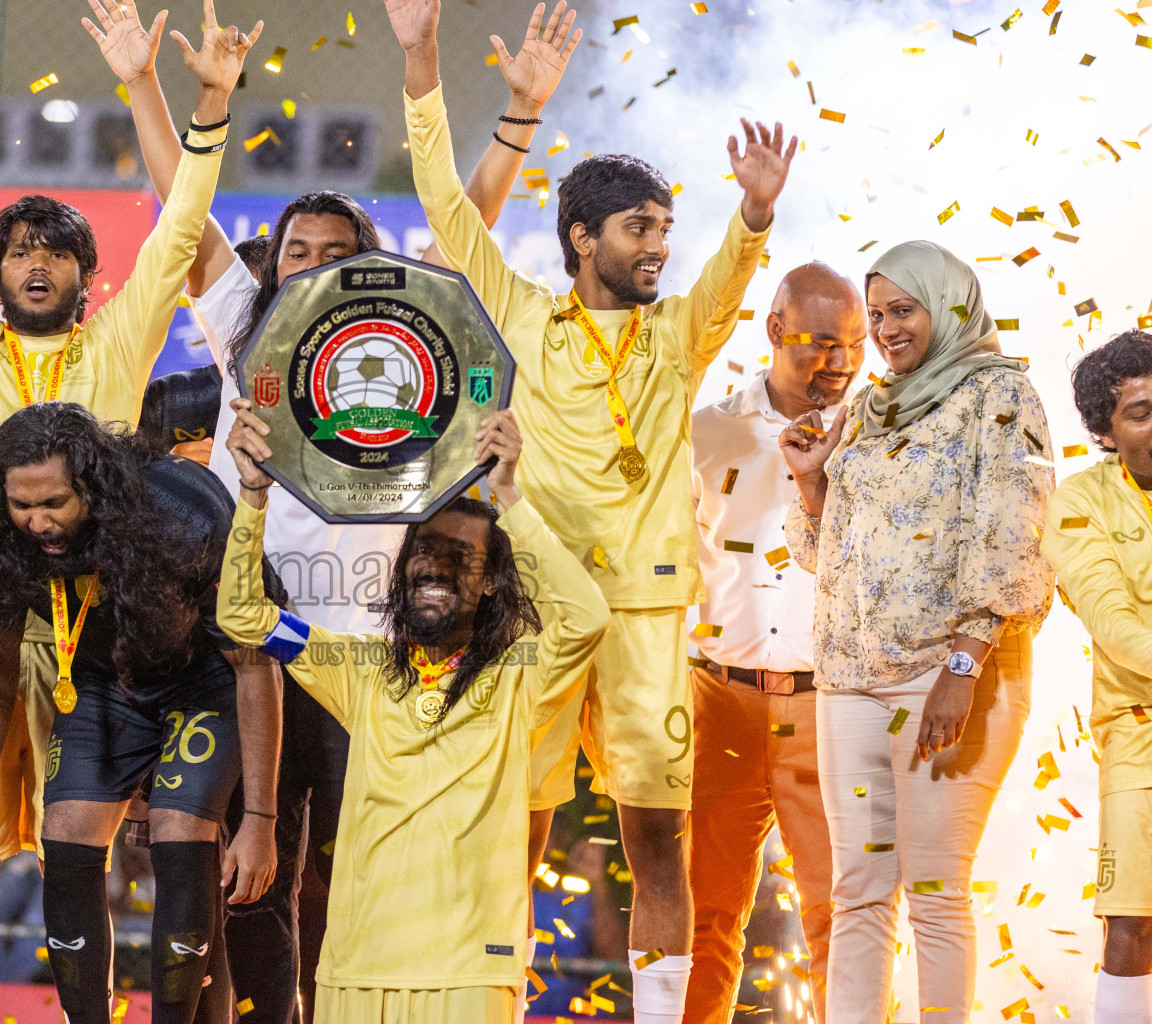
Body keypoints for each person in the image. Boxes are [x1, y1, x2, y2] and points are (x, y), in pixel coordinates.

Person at [85, 2, 582, 1016]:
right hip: (257, 646)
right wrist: (150, 86)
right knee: (245, 869)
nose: (312, 261)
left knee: (346, 866)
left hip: (372, 653)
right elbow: (182, 215)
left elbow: (465, 216)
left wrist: (502, 100)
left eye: (333, 248)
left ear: (371, 268)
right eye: (297, 248)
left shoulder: (403, 341)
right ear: (275, 265)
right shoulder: (249, 329)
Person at [0, 3, 258, 1017]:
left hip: (103, 622)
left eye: (53, 251)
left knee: (91, 840)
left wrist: (205, 104)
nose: (32, 263)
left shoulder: (118, 342)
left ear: (86, 273)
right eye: (16, 248)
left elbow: (184, 230)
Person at [387, 1, 795, 1017]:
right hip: (536, 611)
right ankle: (493, 1000)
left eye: (664, 228)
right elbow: (445, 207)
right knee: (516, 829)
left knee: (656, 834)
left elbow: (735, 264)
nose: (658, 246)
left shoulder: (683, 332)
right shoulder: (524, 314)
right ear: (582, 239)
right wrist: (423, 57)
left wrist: (754, 213)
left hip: (653, 622)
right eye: (637, 230)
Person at [218, 400, 609, 1024]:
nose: (435, 564)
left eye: (461, 556)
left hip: (468, 975)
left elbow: (587, 619)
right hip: (354, 970)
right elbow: (243, 616)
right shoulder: (360, 669)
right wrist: (252, 496)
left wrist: (508, 493)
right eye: (422, 551)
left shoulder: (517, 674)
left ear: (489, 584)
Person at [0, 402, 278, 1024]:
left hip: (206, 680)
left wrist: (259, 821)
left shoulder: (183, 511)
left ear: (95, 487)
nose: (37, 523)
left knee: (179, 832)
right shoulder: (8, 538)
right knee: (63, 835)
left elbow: (255, 664)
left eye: (54, 503)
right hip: (102, 681)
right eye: (21, 504)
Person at [779, 241, 1055, 1024]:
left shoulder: (998, 396)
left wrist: (963, 666)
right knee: (856, 890)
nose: (886, 329)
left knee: (933, 890)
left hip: (946, 676)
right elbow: (825, 548)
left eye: (904, 309)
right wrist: (809, 483)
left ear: (951, 305)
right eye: (877, 315)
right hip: (850, 679)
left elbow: (1013, 535)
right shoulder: (872, 407)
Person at [684, 263, 864, 1024]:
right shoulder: (707, 431)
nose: (838, 362)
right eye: (820, 343)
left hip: (831, 707)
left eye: (854, 344)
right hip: (714, 701)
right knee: (701, 916)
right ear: (773, 330)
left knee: (843, 917)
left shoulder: (881, 435)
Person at [1040, 329, 1152, 1024]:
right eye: (1140, 412)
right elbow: (1113, 622)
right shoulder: (1077, 501)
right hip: (1140, 737)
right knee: (1132, 925)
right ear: (1104, 431)